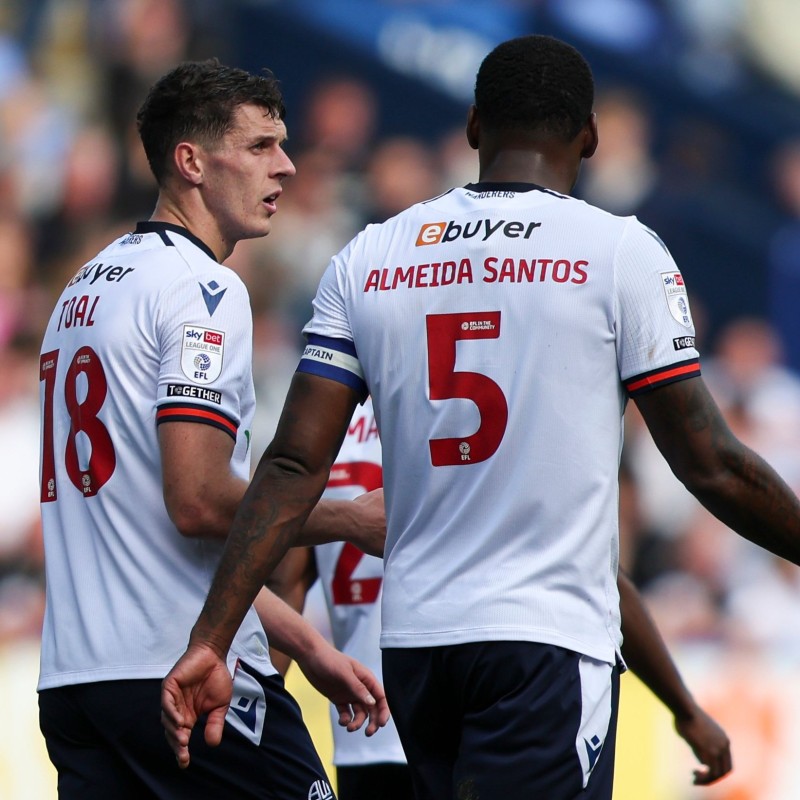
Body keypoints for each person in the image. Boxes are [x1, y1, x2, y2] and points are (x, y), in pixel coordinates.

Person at [162, 35, 800, 799]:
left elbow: (294, 466)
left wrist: (212, 638)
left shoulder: (371, 255)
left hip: (419, 656)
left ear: (472, 126)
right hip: (545, 645)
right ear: (589, 137)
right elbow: (711, 464)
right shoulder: (620, 252)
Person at [37, 59, 389, 800]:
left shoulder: (82, 289)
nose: (287, 167)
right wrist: (349, 519)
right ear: (191, 161)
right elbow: (199, 503)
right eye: (260, 146)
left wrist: (308, 645)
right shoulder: (204, 288)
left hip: (77, 684)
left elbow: (166, 539)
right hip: (180, 678)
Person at [266, 397, 732, 797]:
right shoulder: (483, 422)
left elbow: (286, 584)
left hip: (368, 733)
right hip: (477, 713)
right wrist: (684, 709)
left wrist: (262, 710)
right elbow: (596, 576)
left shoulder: (322, 434)